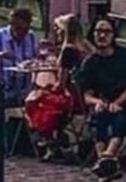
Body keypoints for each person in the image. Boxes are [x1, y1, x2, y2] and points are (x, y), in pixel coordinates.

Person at [78, 17, 126, 180]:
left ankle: (105, 158)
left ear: (113, 35)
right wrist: (97, 102)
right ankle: (108, 163)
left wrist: (117, 102)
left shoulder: (125, 57)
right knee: (100, 117)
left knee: (119, 116)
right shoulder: (90, 62)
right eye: (98, 31)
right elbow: (87, 95)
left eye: (106, 31)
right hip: (103, 102)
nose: (102, 35)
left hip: (125, 101)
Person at [0, 7, 41, 159]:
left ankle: (40, 142)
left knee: (43, 96)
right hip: (1, 85)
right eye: (18, 30)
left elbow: (37, 60)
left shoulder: (31, 38)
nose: (21, 34)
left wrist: (42, 57)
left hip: (24, 87)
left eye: (25, 30)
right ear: (12, 26)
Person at [26, 13, 90, 162]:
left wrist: (46, 87)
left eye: (58, 29)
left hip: (73, 99)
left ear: (65, 31)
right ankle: (57, 140)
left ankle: (49, 143)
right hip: (88, 96)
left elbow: (61, 84)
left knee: (33, 101)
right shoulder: (86, 47)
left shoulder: (68, 50)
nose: (56, 32)